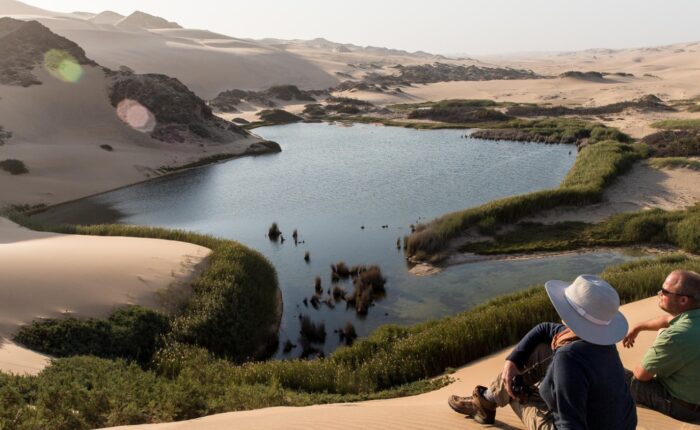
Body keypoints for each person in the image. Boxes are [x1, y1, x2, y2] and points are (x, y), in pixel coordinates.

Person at [448, 275, 637, 430]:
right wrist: (512, 361)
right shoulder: (601, 343)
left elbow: (569, 425)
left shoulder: (569, 357)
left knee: (512, 386)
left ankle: (485, 402)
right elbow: (544, 328)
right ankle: (487, 400)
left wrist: (514, 378)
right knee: (540, 349)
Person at [622, 269, 700, 423]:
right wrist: (638, 327)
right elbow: (667, 320)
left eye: (665, 291)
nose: (659, 293)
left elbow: (641, 375)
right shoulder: (692, 317)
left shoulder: (676, 336)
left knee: (618, 374)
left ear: (683, 300)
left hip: (685, 408)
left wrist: (657, 350)